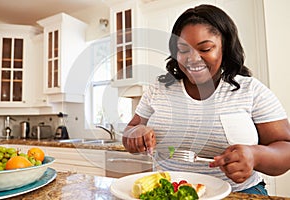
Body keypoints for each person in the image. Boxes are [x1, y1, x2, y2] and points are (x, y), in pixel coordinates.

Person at [122, 4, 290, 195]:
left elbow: (285, 148)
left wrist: (255, 156)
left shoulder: (250, 90)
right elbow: (130, 130)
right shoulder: (158, 89)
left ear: (224, 48)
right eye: (183, 50)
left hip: (238, 194)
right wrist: (136, 133)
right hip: (168, 192)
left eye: (206, 48)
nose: (193, 59)